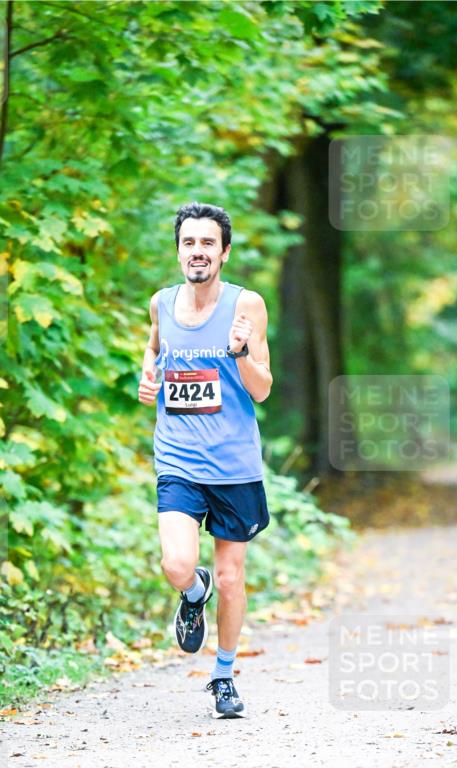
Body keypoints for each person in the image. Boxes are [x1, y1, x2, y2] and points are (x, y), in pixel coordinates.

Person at [138, 201, 272, 719]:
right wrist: (148, 375)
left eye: (208, 243)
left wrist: (240, 354)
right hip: (177, 456)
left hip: (234, 462)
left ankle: (223, 676)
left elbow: (262, 390)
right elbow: (154, 350)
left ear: (225, 251)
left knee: (233, 577)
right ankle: (194, 593)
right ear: (178, 251)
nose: (198, 252)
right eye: (189, 242)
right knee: (176, 563)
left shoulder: (247, 307)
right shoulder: (161, 304)